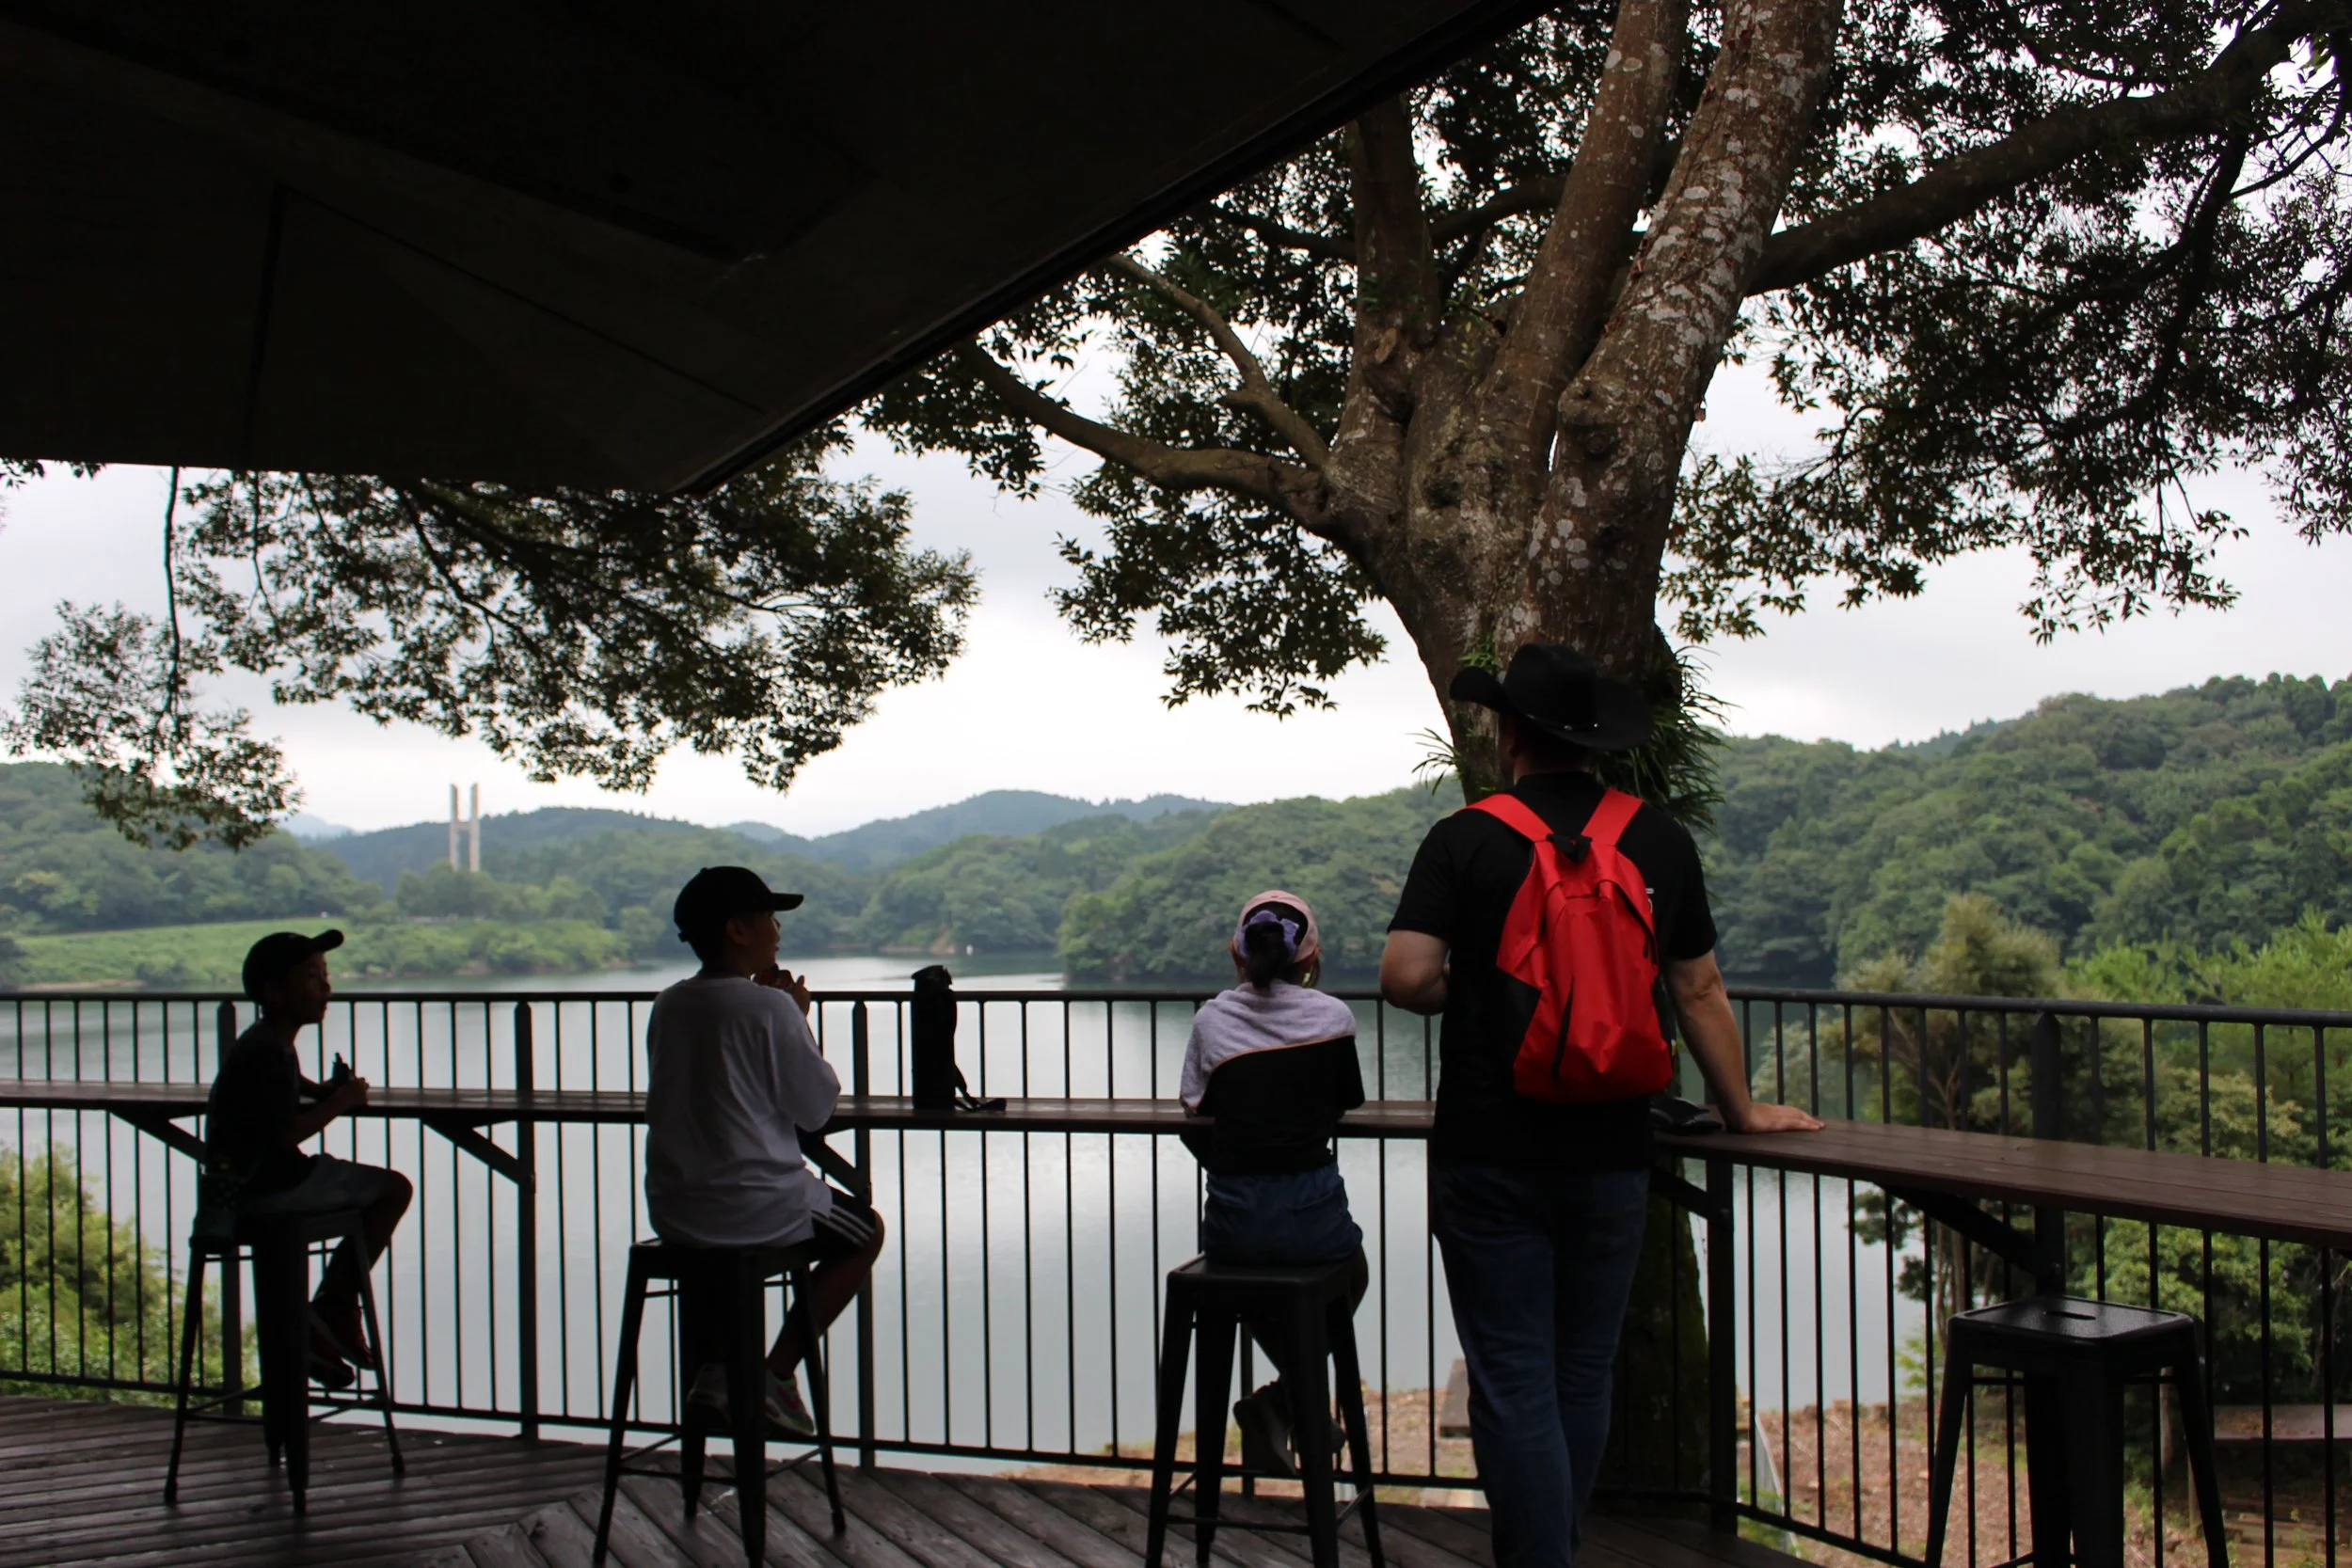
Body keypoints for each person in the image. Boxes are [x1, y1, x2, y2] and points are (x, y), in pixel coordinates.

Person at [1380, 644, 1821, 1568]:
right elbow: (1698, 988)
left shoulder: (1466, 837)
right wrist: (1740, 1111)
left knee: (1511, 1377)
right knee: (1582, 1368)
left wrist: (1487, 985)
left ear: (1510, 735)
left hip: (1489, 1147)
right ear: (1592, 744)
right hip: (1615, 1145)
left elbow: (1406, 977)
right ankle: (1559, 1547)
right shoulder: (1655, 838)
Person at [644, 865, 886, 1438]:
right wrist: (797, 1020)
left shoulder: (670, 1004)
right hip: (754, 1209)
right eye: (769, 919)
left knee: (724, 1260)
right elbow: (815, 1109)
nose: (778, 930)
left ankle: (716, 1374)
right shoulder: (769, 1009)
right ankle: (773, 1375)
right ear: (737, 930)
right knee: (866, 1232)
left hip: (675, 1211)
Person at [1178, 891, 1368, 1477]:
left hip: (1236, 1223)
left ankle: (1286, 1406)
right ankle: (1297, 1405)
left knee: (1252, 1283)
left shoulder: (1211, 1020)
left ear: (1238, 954)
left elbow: (1193, 1109)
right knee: (1348, 1274)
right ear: (1309, 960)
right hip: (1315, 1217)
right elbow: (1348, 1101)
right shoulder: (1334, 1019)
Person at [205, 929, 414, 1388]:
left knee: (372, 1186)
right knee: (395, 1189)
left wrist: (319, 1090)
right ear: (274, 991)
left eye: (326, 976)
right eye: (312, 977)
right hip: (271, 1188)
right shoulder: (268, 1054)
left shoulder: (261, 1043)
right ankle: (333, 1308)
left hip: (234, 1192)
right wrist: (341, 1101)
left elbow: (283, 1088)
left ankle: (322, 1324)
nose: (326, 988)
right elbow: (284, 1135)